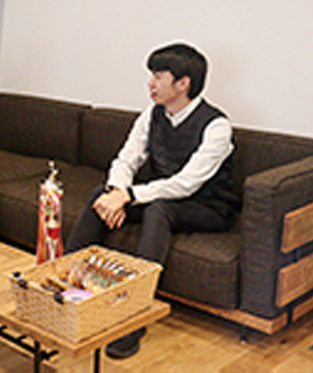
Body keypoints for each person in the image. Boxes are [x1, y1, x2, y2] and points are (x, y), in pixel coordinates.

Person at [66, 42, 240, 359]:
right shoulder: (152, 114)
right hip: (163, 195)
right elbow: (126, 159)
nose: (150, 83)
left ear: (183, 83)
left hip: (208, 206)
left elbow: (186, 183)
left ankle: (133, 320)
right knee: (100, 195)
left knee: (159, 210)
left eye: (158, 76)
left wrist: (130, 195)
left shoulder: (217, 126)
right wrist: (117, 191)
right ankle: (66, 287)